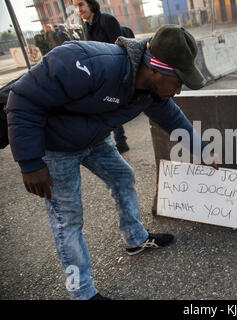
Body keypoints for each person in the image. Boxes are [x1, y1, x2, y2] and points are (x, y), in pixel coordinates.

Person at [6, 24, 213, 300]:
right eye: (178, 82)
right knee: (67, 218)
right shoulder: (87, 62)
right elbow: (22, 98)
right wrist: (30, 163)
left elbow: (174, 120)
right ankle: (82, 292)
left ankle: (135, 239)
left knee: (123, 177)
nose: (178, 90)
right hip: (54, 147)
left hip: (94, 141)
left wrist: (202, 151)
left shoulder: (151, 91)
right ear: (155, 69)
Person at [74, 0, 130, 153]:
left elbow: (120, 47)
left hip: (114, 70)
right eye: (76, 6)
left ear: (91, 4)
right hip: (99, 73)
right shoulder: (86, 26)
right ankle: (115, 141)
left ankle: (120, 141)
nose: (78, 9)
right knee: (106, 107)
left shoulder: (107, 20)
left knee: (112, 106)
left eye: (80, 4)